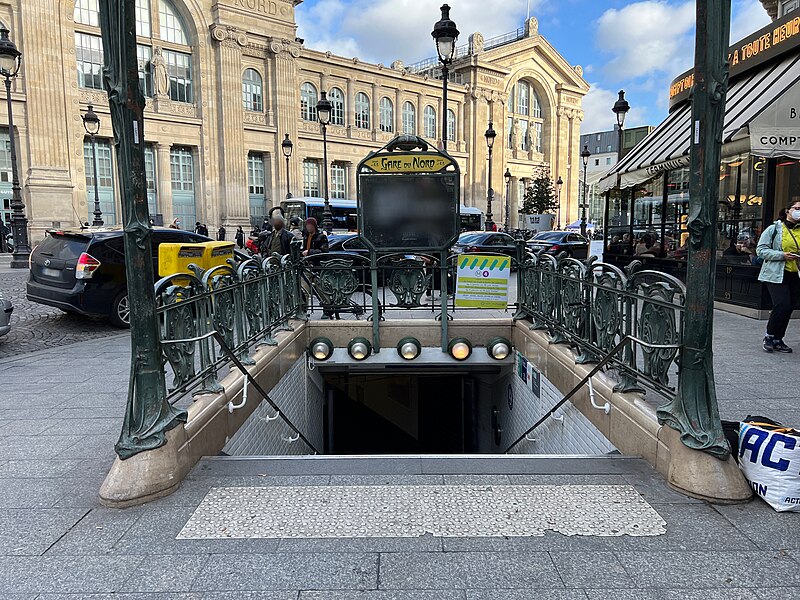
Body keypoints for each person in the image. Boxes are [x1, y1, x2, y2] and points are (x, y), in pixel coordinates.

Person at [756, 201, 800, 353]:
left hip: (795, 274)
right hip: (776, 273)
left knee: (789, 307)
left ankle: (778, 338)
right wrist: (781, 255)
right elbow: (761, 250)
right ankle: (769, 336)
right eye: (797, 209)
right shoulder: (774, 228)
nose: (799, 212)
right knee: (781, 304)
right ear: (788, 210)